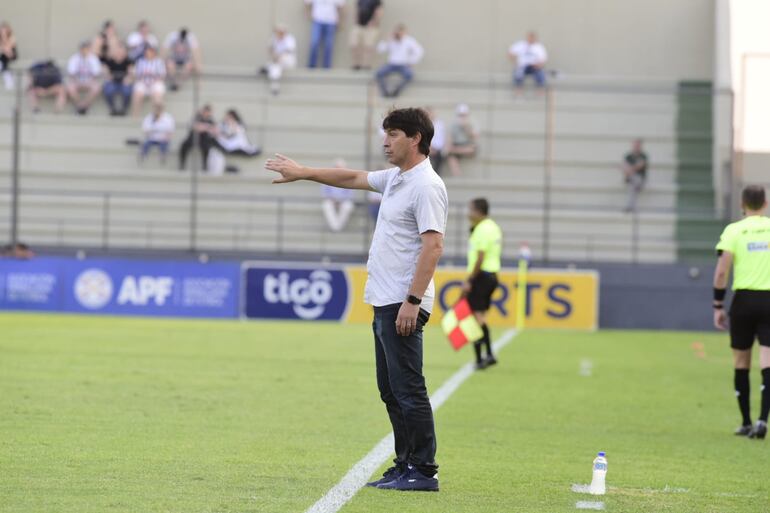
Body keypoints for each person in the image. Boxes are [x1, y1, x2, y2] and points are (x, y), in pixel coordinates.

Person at [266, 107, 447, 492]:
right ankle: (404, 463)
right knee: (391, 390)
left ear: (415, 138)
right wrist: (303, 172)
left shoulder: (426, 186)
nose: (385, 142)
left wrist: (413, 300)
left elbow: (433, 246)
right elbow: (351, 177)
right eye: (386, 134)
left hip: (403, 301)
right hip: (386, 299)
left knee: (408, 388)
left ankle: (423, 470)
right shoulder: (397, 179)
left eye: (393, 134)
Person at [713, 185, 770, 440]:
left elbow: (722, 272)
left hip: (744, 301)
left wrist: (718, 305)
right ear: (765, 204)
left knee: (741, 362)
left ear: (742, 204)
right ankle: (762, 420)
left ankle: (746, 421)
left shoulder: (734, 230)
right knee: (767, 362)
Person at [463, 198, 502, 370]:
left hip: (481, 276)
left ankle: (480, 358)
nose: (468, 214)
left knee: (475, 318)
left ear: (478, 211)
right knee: (480, 316)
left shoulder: (482, 229)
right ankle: (489, 354)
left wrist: (470, 280)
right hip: (491, 275)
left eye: (470, 210)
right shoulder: (493, 227)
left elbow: (480, 257)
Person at [375, 24, 423, 98]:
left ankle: (396, 91)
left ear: (404, 32)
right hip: (391, 64)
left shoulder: (409, 40)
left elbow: (419, 51)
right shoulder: (391, 40)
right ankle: (385, 93)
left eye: (400, 32)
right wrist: (386, 40)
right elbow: (380, 50)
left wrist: (411, 61)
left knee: (409, 75)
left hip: (403, 64)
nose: (398, 33)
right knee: (379, 73)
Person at [65, 41, 102, 115]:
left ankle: (84, 106)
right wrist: (77, 81)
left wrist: (90, 81)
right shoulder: (74, 58)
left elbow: (96, 73)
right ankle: (80, 105)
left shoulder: (93, 58)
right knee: (70, 87)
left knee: (96, 88)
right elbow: (71, 72)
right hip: (77, 81)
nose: (84, 50)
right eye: (83, 49)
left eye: (86, 49)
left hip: (90, 81)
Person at [305, 0, 345, 69]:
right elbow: (307, 3)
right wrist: (308, 14)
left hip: (331, 21)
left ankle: (326, 66)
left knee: (328, 44)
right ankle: (311, 66)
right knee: (314, 42)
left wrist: (340, 21)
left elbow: (341, 7)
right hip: (317, 20)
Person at [321, 159, 356, 232]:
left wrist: (341, 201)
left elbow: (351, 195)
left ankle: (337, 228)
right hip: (332, 201)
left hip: (343, 201)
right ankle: (335, 228)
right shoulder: (327, 177)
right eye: (337, 168)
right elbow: (324, 193)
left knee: (348, 206)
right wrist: (333, 200)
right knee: (326, 205)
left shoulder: (349, 179)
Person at [445, 103, 479, 176]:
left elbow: (475, 137)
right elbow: (449, 138)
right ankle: (458, 176)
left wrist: (466, 127)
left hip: (468, 144)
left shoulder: (472, 122)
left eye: (464, 115)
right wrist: (449, 146)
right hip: (457, 144)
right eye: (460, 115)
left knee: (472, 148)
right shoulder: (453, 124)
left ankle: (457, 150)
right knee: (451, 156)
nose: (462, 117)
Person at [179, 104, 216, 171]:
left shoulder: (211, 121)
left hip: (204, 140)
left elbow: (214, 131)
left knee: (206, 148)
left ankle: (205, 167)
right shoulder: (197, 118)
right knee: (184, 146)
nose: (206, 113)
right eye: (205, 111)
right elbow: (195, 127)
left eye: (207, 112)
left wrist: (202, 127)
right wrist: (206, 127)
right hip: (193, 138)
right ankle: (182, 165)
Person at [262, 24, 297, 95]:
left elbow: (288, 51)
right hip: (278, 62)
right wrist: (274, 55)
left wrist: (278, 57)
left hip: (288, 60)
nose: (279, 34)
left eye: (281, 32)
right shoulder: (274, 38)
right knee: (275, 67)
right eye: (278, 32)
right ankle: (275, 87)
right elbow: (270, 49)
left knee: (276, 64)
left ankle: (267, 68)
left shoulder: (290, 38)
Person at [131, 46, 166, 116]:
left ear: (154, 53)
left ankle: (158, 115)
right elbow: (136, 74)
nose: (148, 54)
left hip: (155, 83)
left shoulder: (159, 62)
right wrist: (143, 78)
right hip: (143, 82)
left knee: (158, 94)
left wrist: (153, 79)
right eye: (147, 52)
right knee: (137, 93)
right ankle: (135, 115)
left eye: (150, 52)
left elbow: (162, 75)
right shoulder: (140, 62)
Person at [350, 0, 382, 70]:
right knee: (354, 44)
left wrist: (374, 22)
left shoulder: (376, 1)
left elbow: (379, 12)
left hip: (370, 27)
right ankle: (356, 64)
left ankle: (366, 65)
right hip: (359, 25)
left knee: (368, 46)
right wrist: (356, 20)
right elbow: (357, 10)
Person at [102, 43, 133, 116]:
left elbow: (131, 73)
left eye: (121, 52)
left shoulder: (128, 61)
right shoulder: (109, 61)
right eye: (118, 52)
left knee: (127, 92)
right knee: (108, 91)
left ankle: (123, 109)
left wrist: (128, 78)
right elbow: (106, 72)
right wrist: (109, 76)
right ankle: (112, 108)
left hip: (124, 82)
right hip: (113, 82)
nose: (119, 54)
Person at [622, 139, 648, 212]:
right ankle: (632, 207)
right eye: (635, 145)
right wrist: (631, 169)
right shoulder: (628, 156)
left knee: (633, 182)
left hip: (640, 180)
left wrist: (630, 169)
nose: (636, 147)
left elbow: (640, 166)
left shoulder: (643, 156)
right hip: (630, 178)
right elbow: (624, 167)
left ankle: (630, 206)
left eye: (637, 145)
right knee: (632, 184)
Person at [426, 107, 445, 175]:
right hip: (427, 148)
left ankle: (435, 174)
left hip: (437, 148)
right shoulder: (422, 125)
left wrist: (434, 148)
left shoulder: (439, 124)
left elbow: (441, 139)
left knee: (439, 155)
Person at [0, 22, 18, 90]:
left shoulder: (12, 38)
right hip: (3, 57)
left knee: (5, 55)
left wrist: (4, 39)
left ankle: (9, 80)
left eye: (4, 30)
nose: (3, 32)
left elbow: (8, 50)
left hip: (12, 56)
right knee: (3, 58)